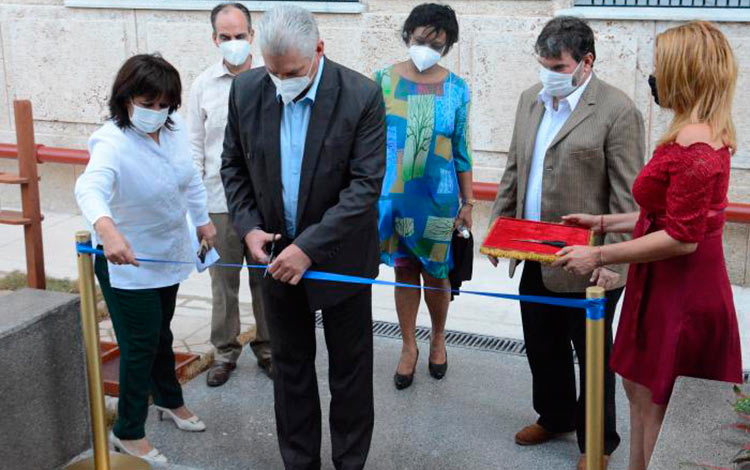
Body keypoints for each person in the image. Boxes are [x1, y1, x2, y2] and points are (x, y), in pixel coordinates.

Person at [554, 21, 742, 470]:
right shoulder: (695, 133)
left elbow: (681, 238)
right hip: (660, 284)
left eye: (660, 67)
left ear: (685, 72)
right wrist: (602, 221)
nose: (653, 76)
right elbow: (665, 215)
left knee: (657, 405)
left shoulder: (696, 147)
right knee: (639, 392)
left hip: (682, 294)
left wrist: (599, 253)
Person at [220, 5, 385, 470]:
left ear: (319, 49)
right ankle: (300, 461)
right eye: (273, 72)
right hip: (273, 254)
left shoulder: (361, 96)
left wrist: (307, 248)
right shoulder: (248, 89)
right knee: (290, 368)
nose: (281, 83)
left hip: (341, 257)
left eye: (291, 73)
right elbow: (233, 166)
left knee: (350, 372)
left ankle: (350, 462)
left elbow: (364, 187)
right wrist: (249, 227)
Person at [488, 16, 645, 470]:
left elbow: (628, 194)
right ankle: (554, 416)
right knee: (541, 343)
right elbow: (515, 169)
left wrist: (611, 259)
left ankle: (598, 441)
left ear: (586, 62)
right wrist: (500, 229)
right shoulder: (529, 101)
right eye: (543, 64)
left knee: (593, 354)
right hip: (534, 251)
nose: (548, 73)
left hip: (590, 260)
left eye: (557, 65)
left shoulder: (617, 110)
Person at [75, 54, 216, 464]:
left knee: (161, 335)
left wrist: (204, 223)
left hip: (168, 256)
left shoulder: (172, 133)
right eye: (146, 102)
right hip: (127, 262)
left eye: (163, 105)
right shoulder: (110, 141)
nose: (155, 112)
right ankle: (128, 429)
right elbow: (90, 189)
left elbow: (190, 181)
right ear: (125, 98)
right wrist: (109, 231)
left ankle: (169, 401)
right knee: (139, 345)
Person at [374, 3, 473, 390]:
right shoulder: (381, 80)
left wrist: (468, 203)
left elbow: (462, 148)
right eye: (420, 39)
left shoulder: (457, 88)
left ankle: (437, 338)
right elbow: (368, 141)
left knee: (436, 274)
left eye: (437, 41)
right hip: (395, 196)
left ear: (448, 44)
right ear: (407, 35)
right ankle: (408, 345)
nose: (426, 47)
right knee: (403, 271)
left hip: (438, 198)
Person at [188, 2, 271, 387]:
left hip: (264, 204)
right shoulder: (203, 85)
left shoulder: (273, 77)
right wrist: (195, 209)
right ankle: (224, 352)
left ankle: (270, 349)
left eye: (240, 36)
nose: (234, 43)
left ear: (252, 36)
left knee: (266, 279)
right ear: (214, 39)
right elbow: (194, 148)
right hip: (218, 202)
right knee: (223, 283)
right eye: (226, 37)